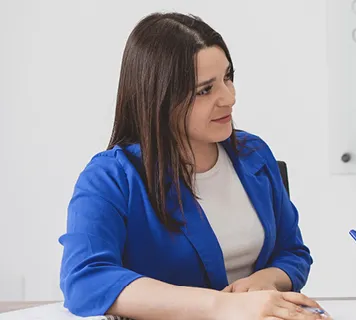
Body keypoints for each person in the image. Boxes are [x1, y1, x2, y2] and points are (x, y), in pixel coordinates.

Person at [59, 13, 328, 320]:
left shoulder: (253, 154)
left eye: (228, 77)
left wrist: (265, 281)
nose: (229, 98)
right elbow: (84, 281)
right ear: (159, 99)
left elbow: (293, 252)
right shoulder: (111, 178)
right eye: (205, 90)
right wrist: (224, 306)